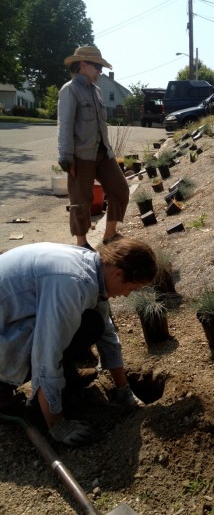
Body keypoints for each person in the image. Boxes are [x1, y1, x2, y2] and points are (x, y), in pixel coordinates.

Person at [0, 238, 157, 446]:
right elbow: (47, 351)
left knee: (92, 324)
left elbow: (107, 332)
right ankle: (14, 392)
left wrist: (123, 389)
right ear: (118, 273)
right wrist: (56, 423)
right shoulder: (72, 282)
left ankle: (63, 381)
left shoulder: (94, 267)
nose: (127, 294)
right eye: (131, 288)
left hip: (10, 319)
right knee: (75, 328)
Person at [58, 45, 130, 251]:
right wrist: (65, 157)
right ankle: (81, 244)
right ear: (83, 65)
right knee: (81, 200)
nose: (100, 71)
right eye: (97, 66)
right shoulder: (69, 90)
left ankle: (110, 235)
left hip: (103, 153)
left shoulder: (97, 91)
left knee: (120, 189)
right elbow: (65, 125)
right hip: (81, 156)